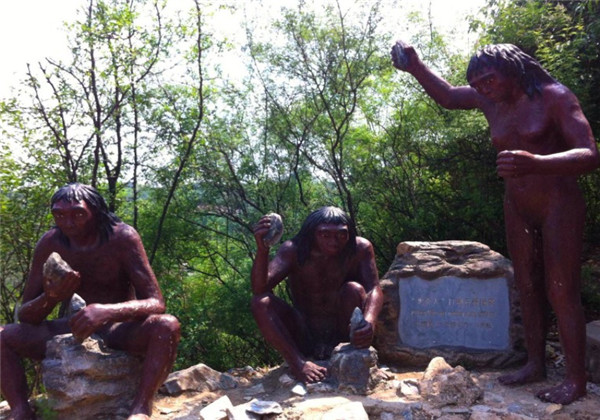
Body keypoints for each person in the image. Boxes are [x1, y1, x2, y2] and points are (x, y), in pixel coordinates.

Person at [391, 41, 599, 404]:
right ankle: (535, 364)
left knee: (561, 288)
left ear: (512, 70)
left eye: (489, 80)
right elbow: (449, 97)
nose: (483, 89)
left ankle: (575, 379)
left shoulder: (555, 97)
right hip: (517, 204)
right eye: (479, 84)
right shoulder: (489, 101)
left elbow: (589, 154)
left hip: (558, 205)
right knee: (527, 285)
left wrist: (536, 162)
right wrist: (416, 66)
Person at [0, 183, 181, 420]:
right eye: (60, 215)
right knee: (2, 335)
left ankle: (141, 407)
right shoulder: (51, 242)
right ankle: (21, 410)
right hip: (72, 326)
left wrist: (107, 312)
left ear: (95, 212)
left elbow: (156, 302)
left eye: (78, 214)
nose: (69, 222)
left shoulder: (122, 237)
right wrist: (51, 297)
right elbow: (26, 316)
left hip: (119, 328)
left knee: (167, 325)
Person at [251, 206, 383, 384]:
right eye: (325, 235)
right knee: (260, 302)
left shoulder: (360, 248)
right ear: (312, 234)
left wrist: (369, 320)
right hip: (304, 330)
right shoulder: (294, 250)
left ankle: (349, 348)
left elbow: (373, 288)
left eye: (341, 234)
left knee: (353, 289)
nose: (334, 241)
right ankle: (298, 363)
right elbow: (260, 288)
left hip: (344, 329)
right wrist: (262, 249)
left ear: (349, 233)